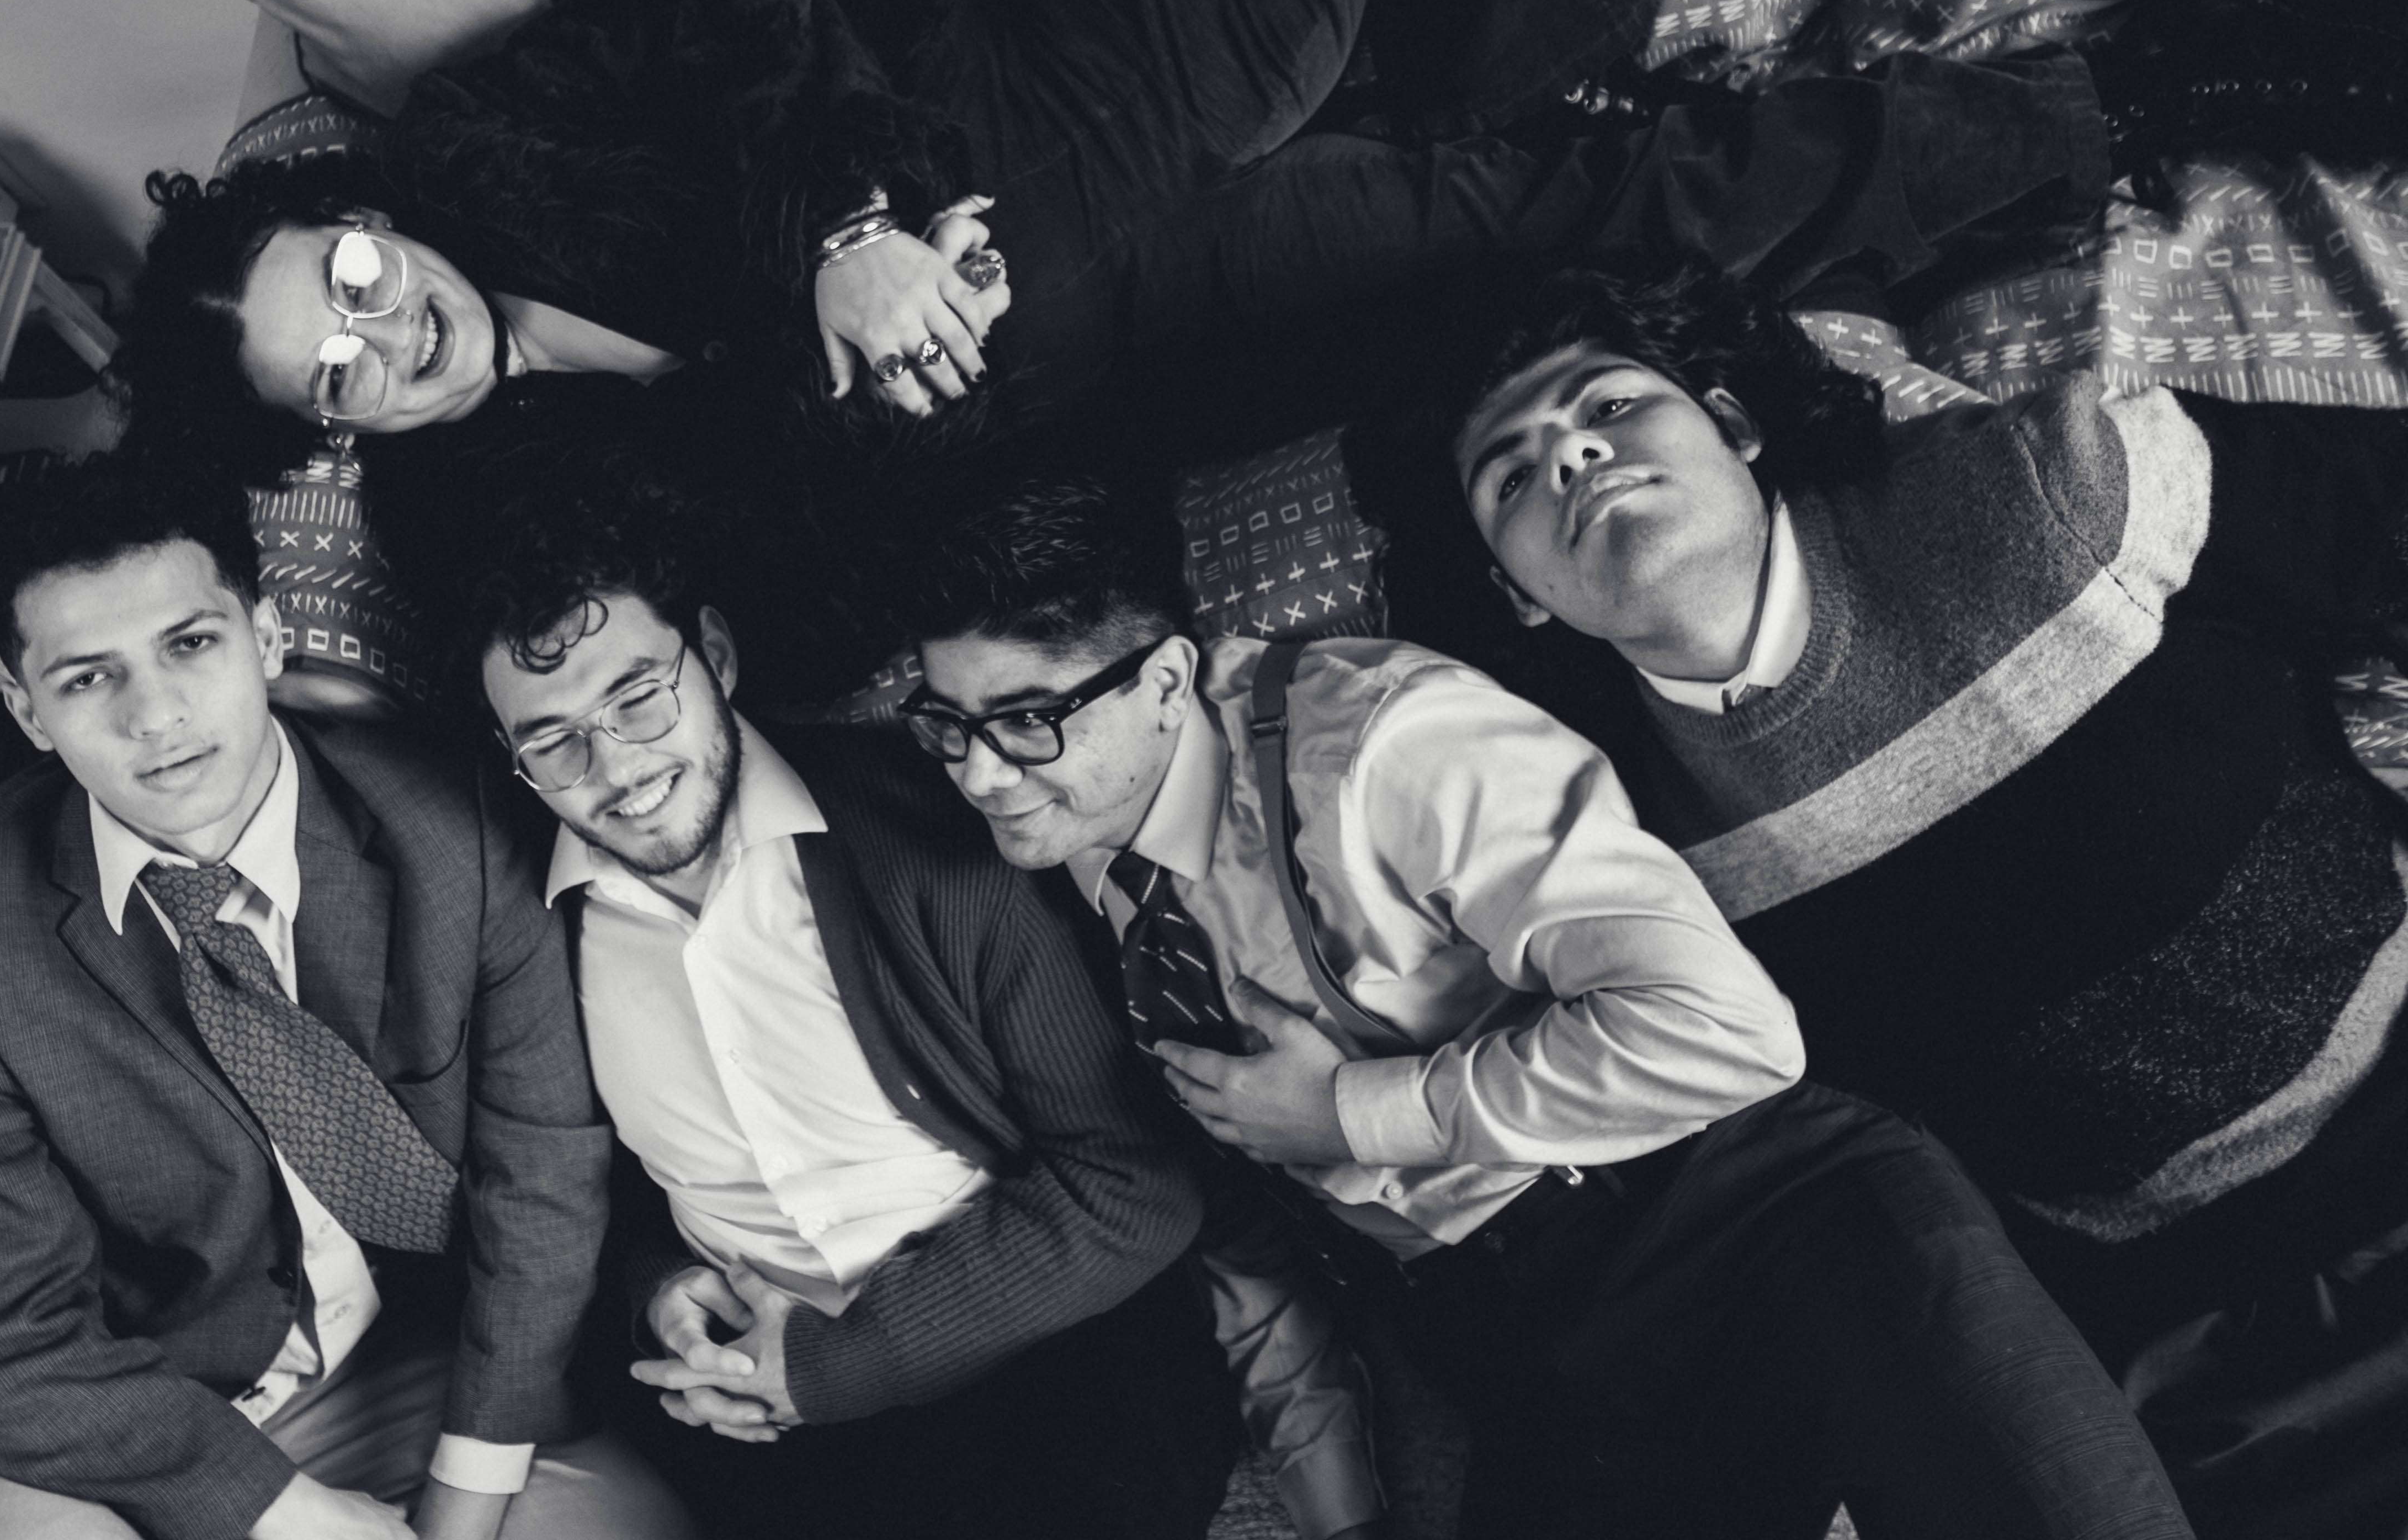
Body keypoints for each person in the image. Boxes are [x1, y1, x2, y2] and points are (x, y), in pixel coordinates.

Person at [110, 0, 2404, 689]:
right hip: (1099, 369)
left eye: (342, 271)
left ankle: (1596, 86)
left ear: (350, 208)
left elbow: (743, 28)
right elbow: (806, 613)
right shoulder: (500, 518)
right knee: (1575, 213)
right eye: (337, 373)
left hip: (988, 138)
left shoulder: (489, 134)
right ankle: (2163, 97)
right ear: (333, 429)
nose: (382, 328)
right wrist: (875, 405)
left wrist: (848, 231)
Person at [895, 469, 2195, 1540]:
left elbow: (1726, 1030)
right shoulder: (1068, 828)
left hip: (1755, 1214)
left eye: (1025, 719)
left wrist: (1352, 1106)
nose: (981, 775)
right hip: (1527, 1335)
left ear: (1170, 679)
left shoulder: (1390, 746)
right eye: (942, 724)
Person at [1396, 259, 2408, 1523]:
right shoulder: (1614, 837)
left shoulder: (2047, 494)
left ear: (1736, 425)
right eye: (1511, 472)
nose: (1570, 460)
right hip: (2178, 1344)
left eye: (1606, 407)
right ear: (1516, 592)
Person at [0, 457, 688, 1540]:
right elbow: (4, 1336)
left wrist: (466, 1487)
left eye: (190, 644)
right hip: (110, 1403)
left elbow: (543, 1174)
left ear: (267, 637)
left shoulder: (464, 837)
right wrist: (289, 1515)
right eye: (87, 678)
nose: (155, 713)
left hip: (409, 1363)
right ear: (29, 713)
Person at [459, 469, 1279, 1540]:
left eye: (637, 695)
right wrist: (663, 1284)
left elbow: (1134, 1184)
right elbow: (598, 1182)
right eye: (552, 739)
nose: (613, 765)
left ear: (716, 653)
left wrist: (839, 1362)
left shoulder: (934, 832)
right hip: (759, 1416)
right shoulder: (534, 923)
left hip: (1032, 1361)